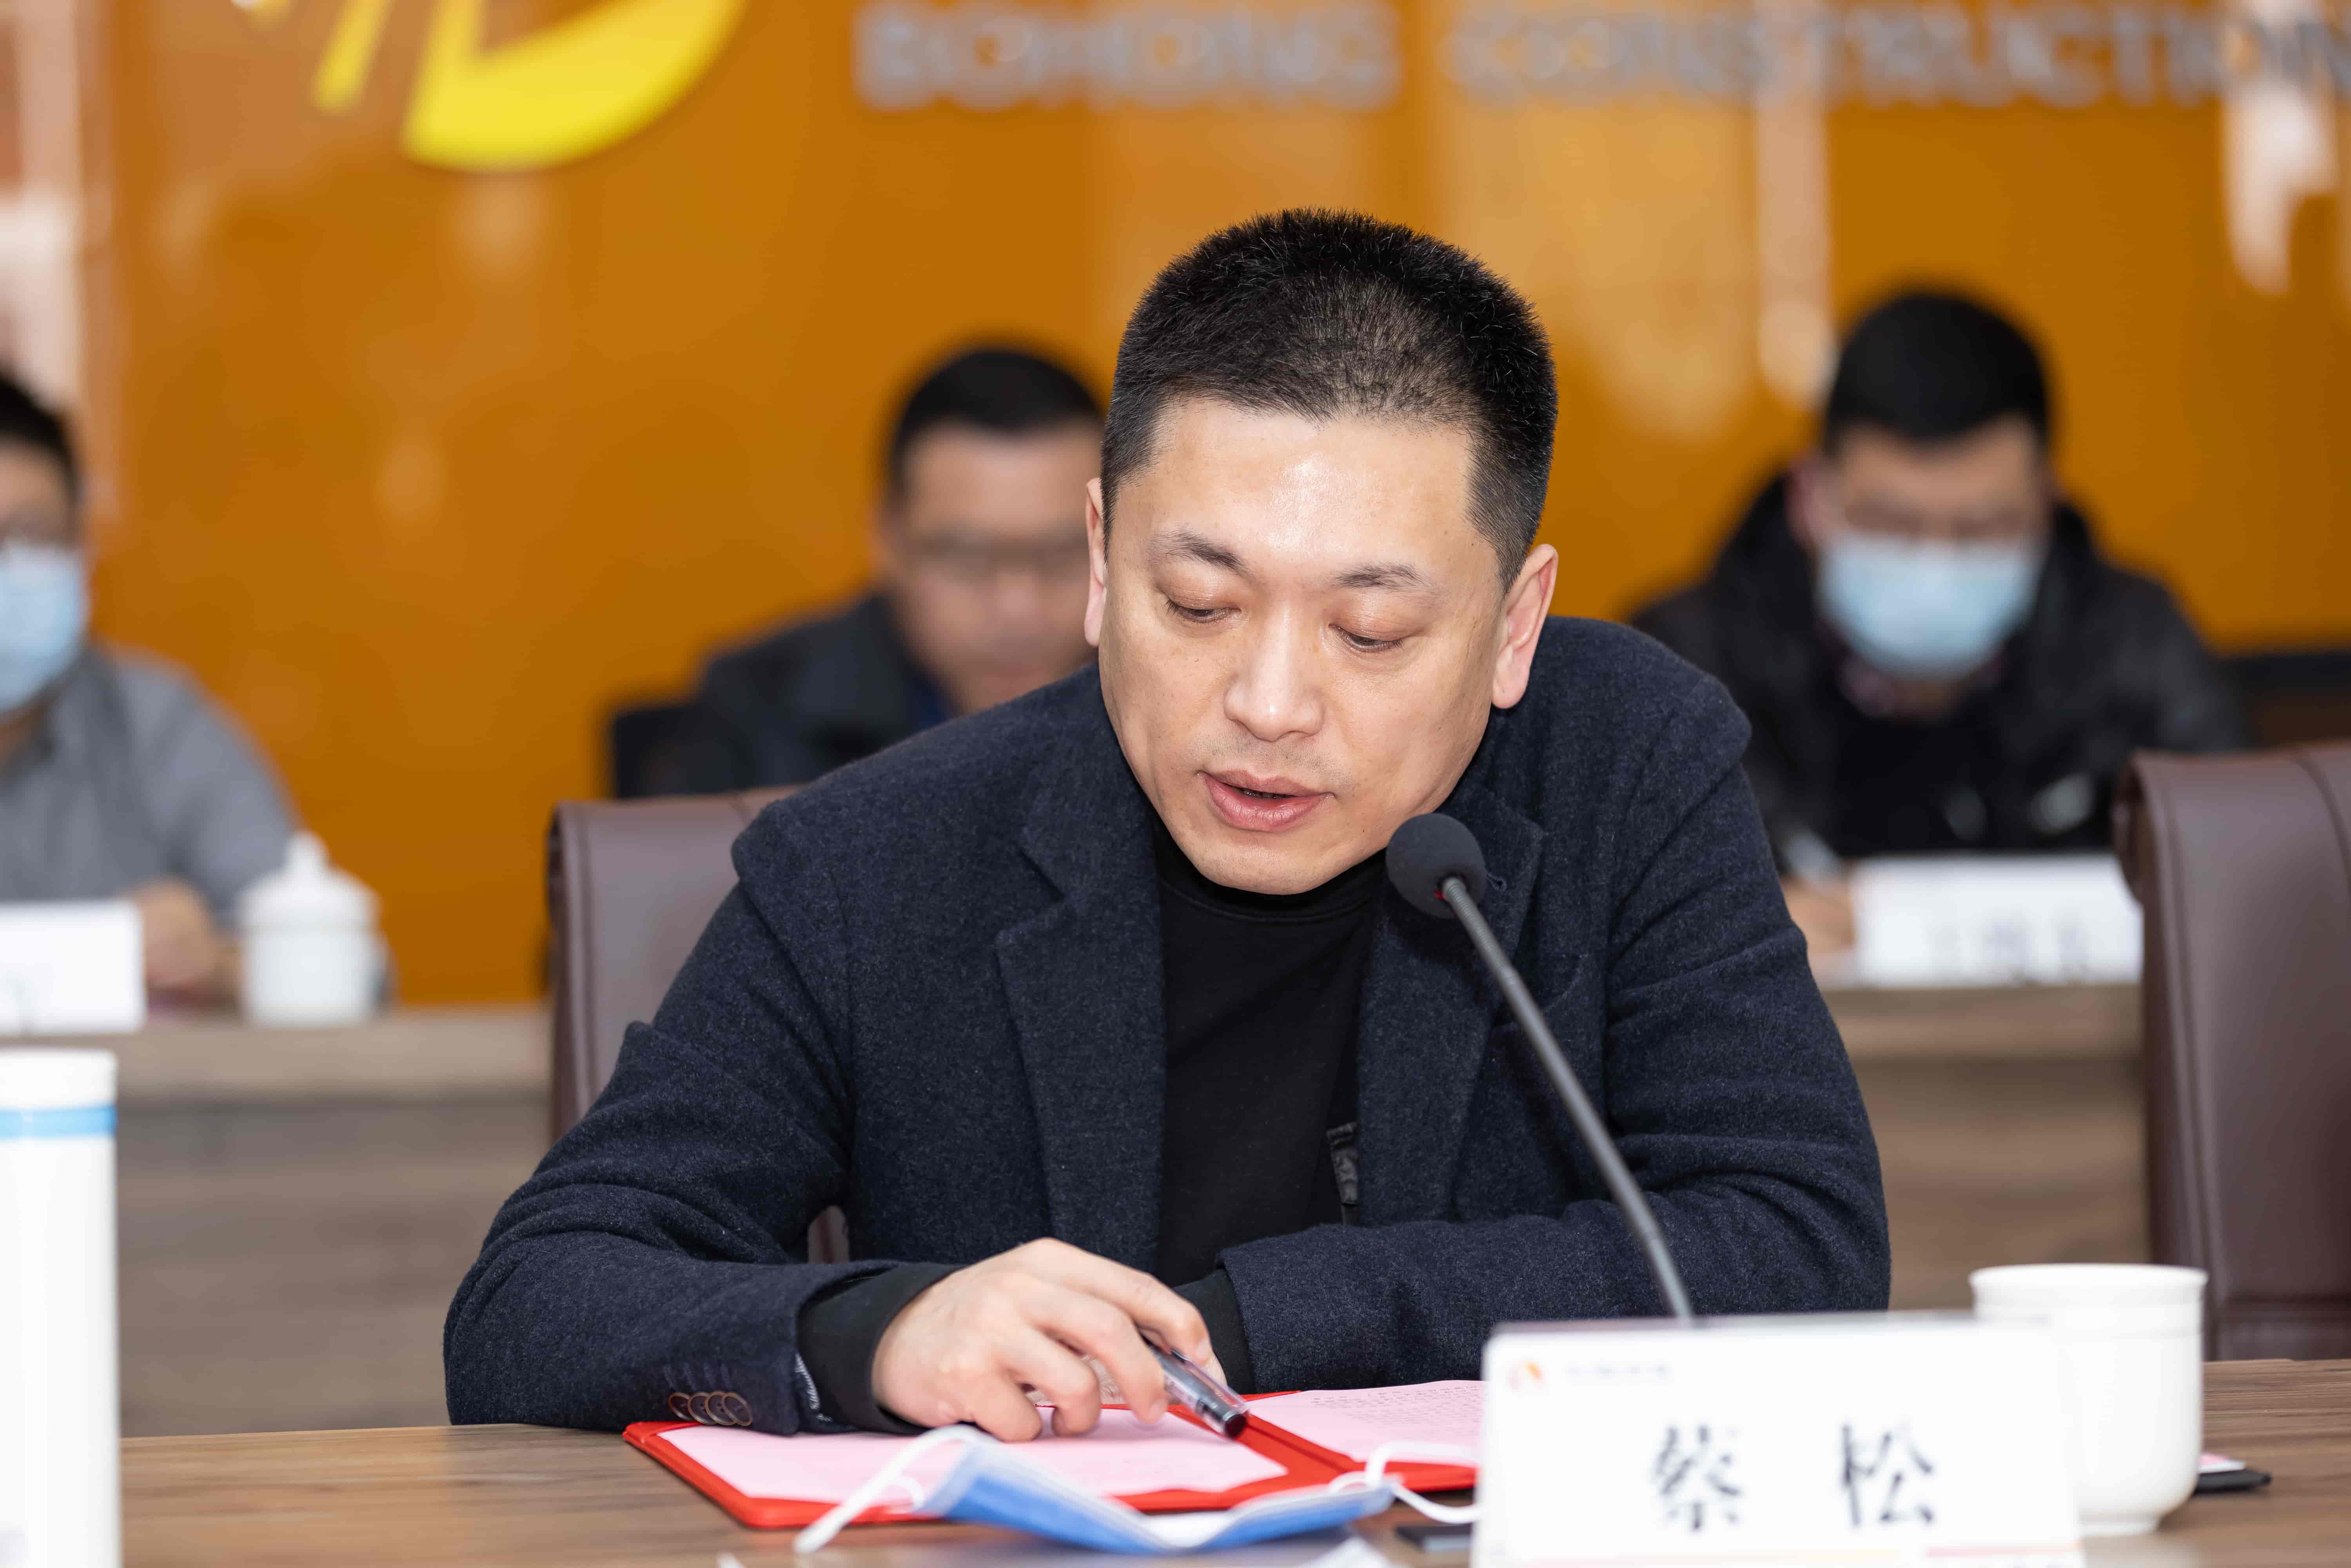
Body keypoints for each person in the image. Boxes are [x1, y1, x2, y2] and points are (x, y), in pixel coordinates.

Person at [446, 211, 1887, 1441]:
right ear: (1098, 562)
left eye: (1370, 631)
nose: (1267, 702)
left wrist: (1259, 1321)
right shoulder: (878, 861)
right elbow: (535, 1300)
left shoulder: (1623, 766)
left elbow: (1797, 1242)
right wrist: (880, 1330)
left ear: (1515, 626)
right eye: (1198, 604)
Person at [1633, 292, 2244, 957]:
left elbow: (2245, 886)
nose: (1934, 565)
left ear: (2046, 506)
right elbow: (1592, 929)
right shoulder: (1673, 672)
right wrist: (1722, 940)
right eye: (1890, 524)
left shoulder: (2135, 648)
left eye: (1981, 528)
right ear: (1811, 499)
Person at [648, 347, 1102, 793]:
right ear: (888, 542)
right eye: (967, 559)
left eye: (1064, 554)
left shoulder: (1149, 701)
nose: (1018, 611)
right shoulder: (752, 717)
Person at [0, 372, 296, 1004]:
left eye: (27, 535)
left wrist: (219, 962)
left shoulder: (158, 725)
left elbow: (352, 970)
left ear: (82, 547)